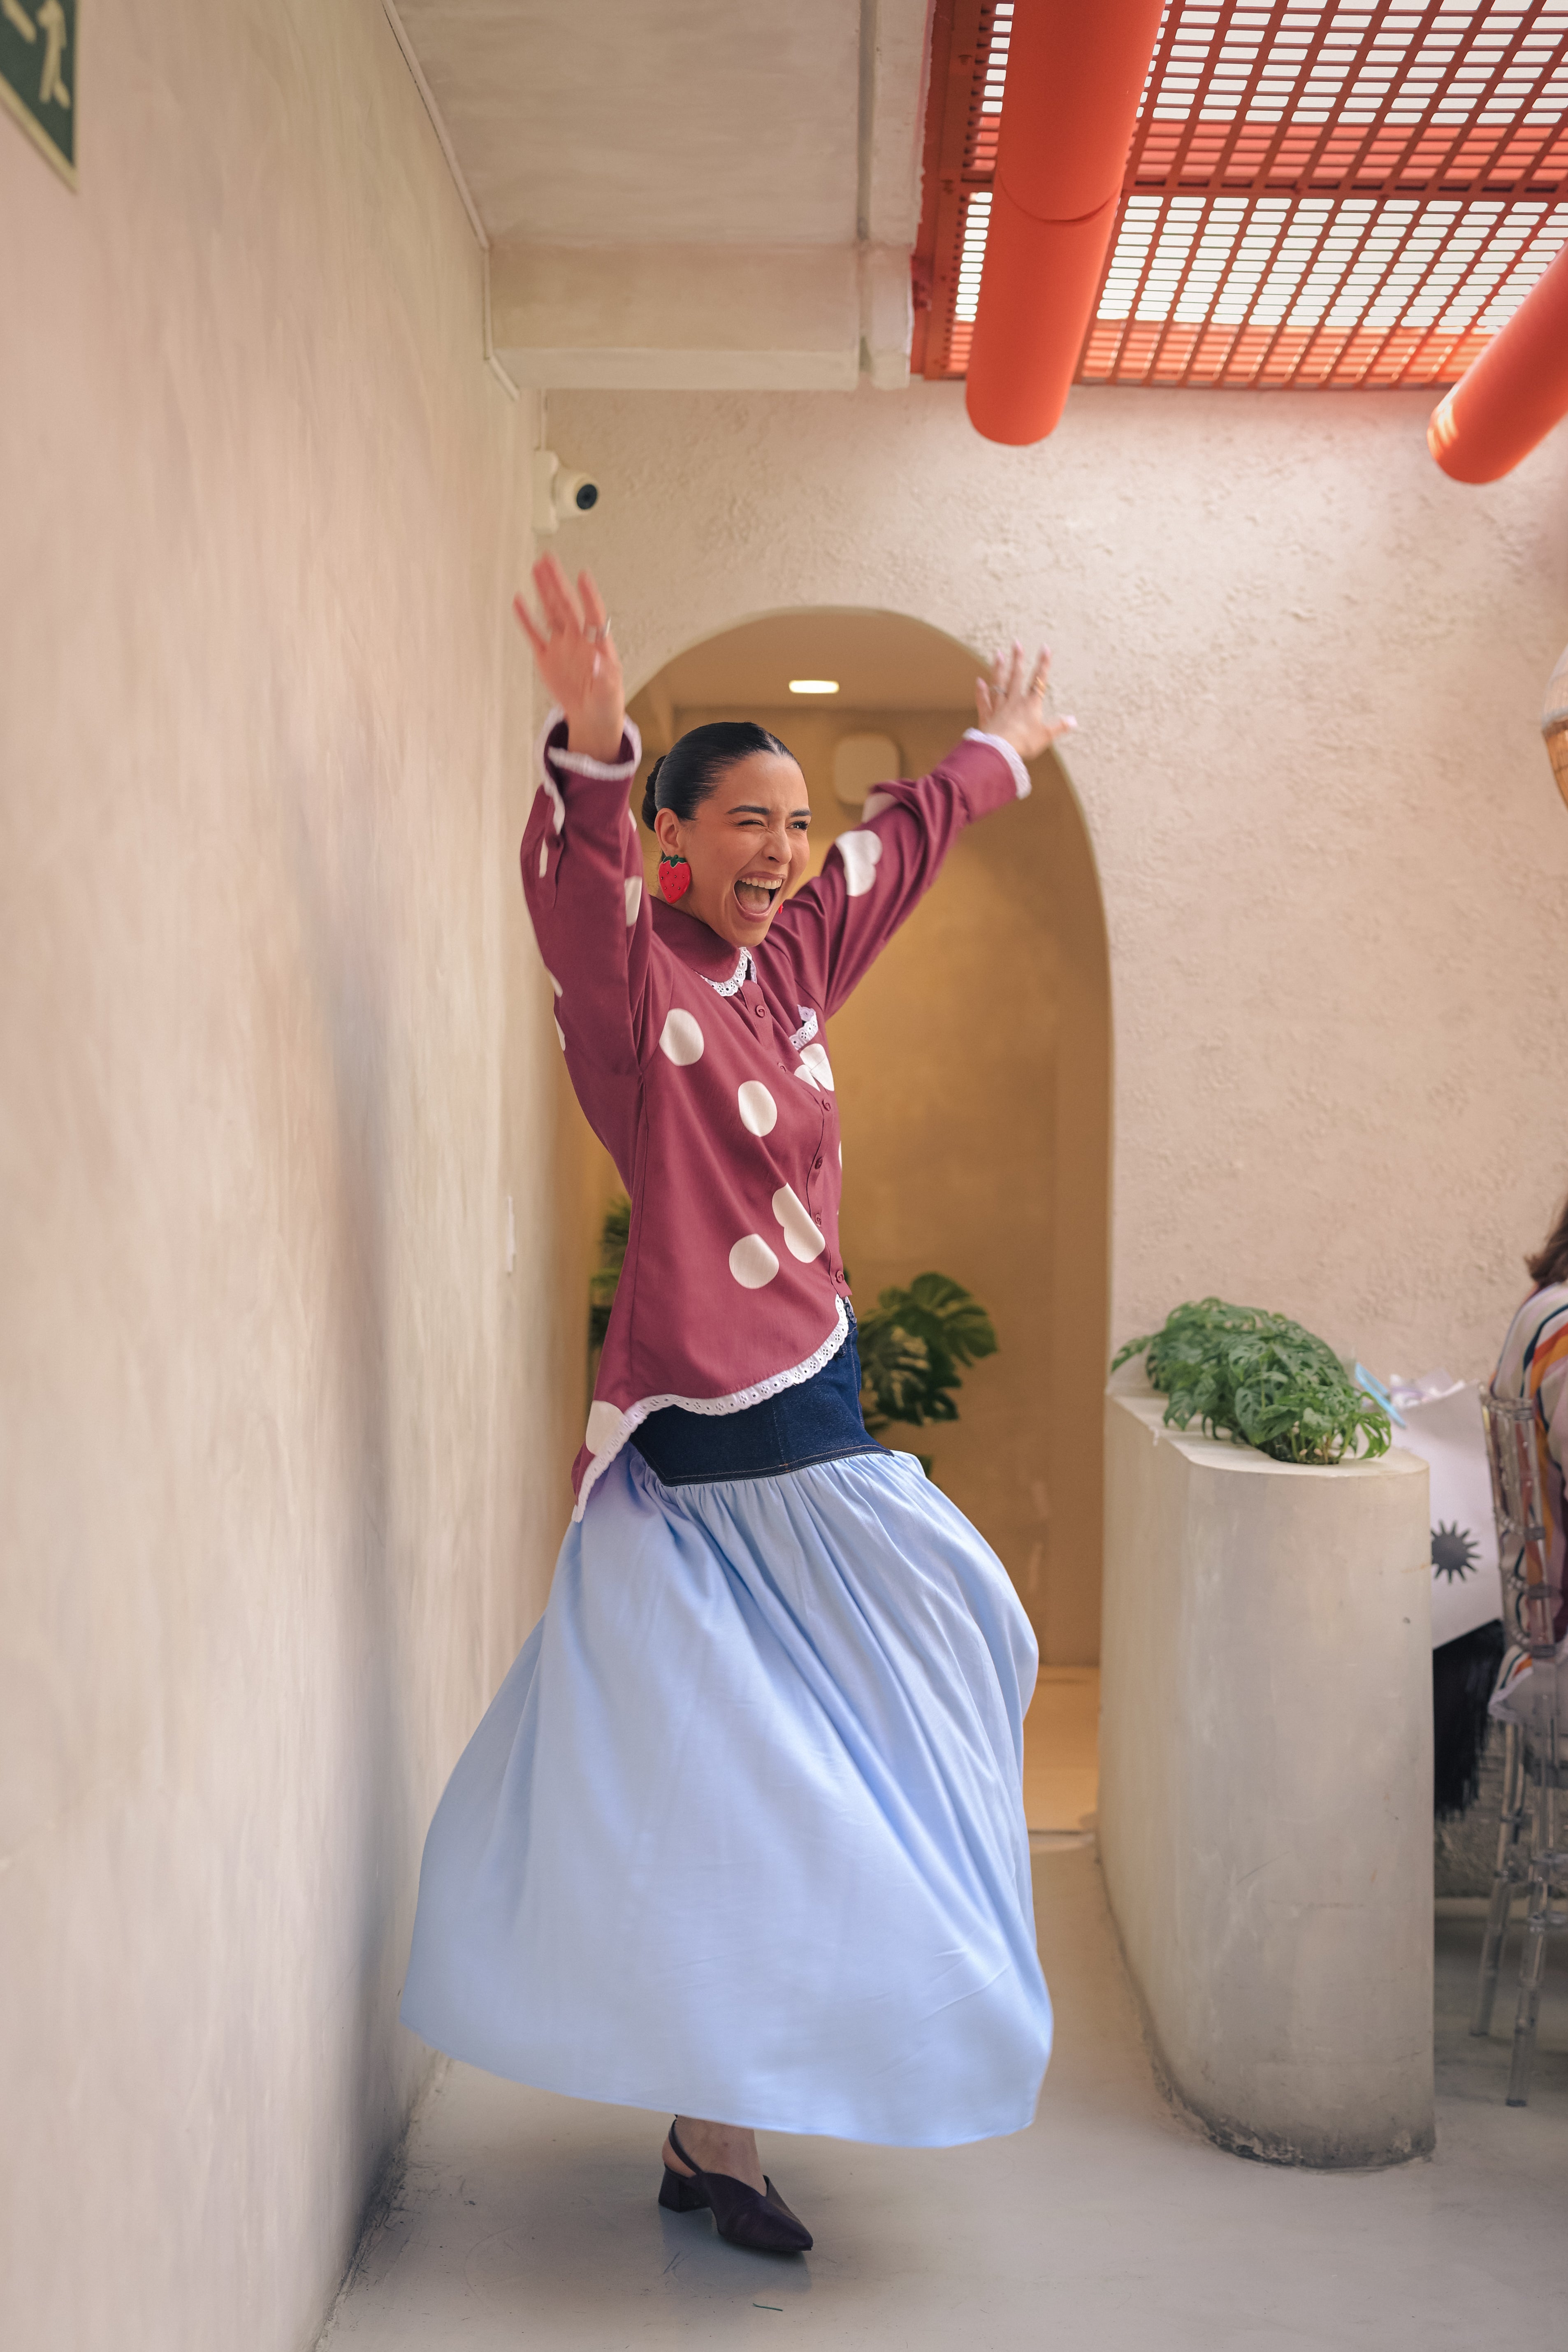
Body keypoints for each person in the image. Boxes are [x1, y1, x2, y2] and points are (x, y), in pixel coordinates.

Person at [401, 554, 1073, 2256]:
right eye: (745, 824)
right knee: (824, 1743)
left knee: (926, 1671)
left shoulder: (785, 971)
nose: (781, 850)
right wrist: (595, 733)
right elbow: (572, 895)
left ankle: (716, 2125)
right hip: (718, 1441)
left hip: (813, 1405)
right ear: (675, 842)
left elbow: (889, 855)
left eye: (792, 823)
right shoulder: (637, 995)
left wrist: (993, 750)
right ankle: (724, 2125)